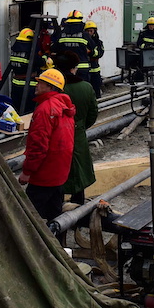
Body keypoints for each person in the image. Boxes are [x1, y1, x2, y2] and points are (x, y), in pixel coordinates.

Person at [18, 68, 75, 221]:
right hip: (59, 172)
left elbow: (38, 146)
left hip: (44, 174)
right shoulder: (64, 107)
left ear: (50, 87)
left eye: (41, 83)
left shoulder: (44, 109)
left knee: (29, 218)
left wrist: (27, 172)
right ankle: (56, 236)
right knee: (55, 215)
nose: (36, 85)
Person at [55, 52, 98, 205]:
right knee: (79, 169)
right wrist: (80, 126)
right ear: (74, 68)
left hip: (57, 136)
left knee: (57, 170)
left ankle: (57, 206)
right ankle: (78, 204)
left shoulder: (54, 89)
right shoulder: (86, 87)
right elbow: (93, 113)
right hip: (78, 134)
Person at [9, 28, 43, 113]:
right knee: (29, 111)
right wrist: (45, 58)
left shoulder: (15, 49)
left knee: (16, 110)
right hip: (29, 85)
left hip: (15, 84)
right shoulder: (31, 49)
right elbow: (40, 62)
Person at [55, 10, 94, 77]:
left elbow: (54, 49)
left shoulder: (61, 35)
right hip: (82, 69)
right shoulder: (85, 35)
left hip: (66, 69)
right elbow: (93, 49)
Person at [84, 21, 105, 97]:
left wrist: (90, 52)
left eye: (91, 31)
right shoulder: (83, 41)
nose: (89, 33)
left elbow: (100, 53)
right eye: (87, 31)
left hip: (95, 70)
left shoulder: (98, 42)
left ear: (94, 31)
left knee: (96, 91)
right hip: (85, 71)